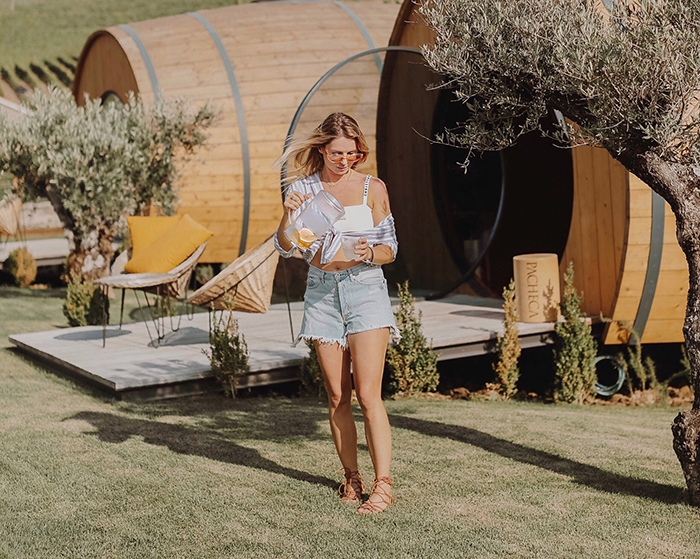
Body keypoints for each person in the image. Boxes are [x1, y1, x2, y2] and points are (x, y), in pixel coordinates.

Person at [274, 113, 399, 514]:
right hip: (322, 295)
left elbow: (391, 249)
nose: (345, 159)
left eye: (352, 152)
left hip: (365, 291)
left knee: (368, 394)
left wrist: (370, 252)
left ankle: (384, 485)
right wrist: (287, 215)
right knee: (335, 395)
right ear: (322, 150)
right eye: (337, 153)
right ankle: (352, 477)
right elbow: (286, 246)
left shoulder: (372, 188)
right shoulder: (304, 189)